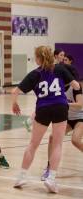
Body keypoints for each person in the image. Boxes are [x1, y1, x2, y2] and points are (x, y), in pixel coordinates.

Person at [12, 46, 80, 193]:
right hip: (61, 107)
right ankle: (51, 179)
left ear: (38, 58)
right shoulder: (60, 69)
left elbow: (15, 91)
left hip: (42, 108)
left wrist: (14, 103)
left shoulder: (34, 74)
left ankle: (21, 176)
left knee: (33, 144)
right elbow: (75, 85)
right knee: (57, 144)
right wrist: (66, 83)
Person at [40, 55, 83, 181]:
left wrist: (64, 103)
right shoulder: (57, 86)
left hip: (80, 117)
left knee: (75, 140)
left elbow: (80, 105)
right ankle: (49, 167)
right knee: (52, 138)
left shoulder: (76, 87)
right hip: (67, 118)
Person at [23, 48, 66, 132]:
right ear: (55, 56)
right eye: (61, 55)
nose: (63, 57)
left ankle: (29, 121)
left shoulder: (60, 67)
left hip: (56, 93)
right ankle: (29, 121)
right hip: (50, 93)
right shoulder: (54, 66)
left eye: (64, 55)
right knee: (47, 106)